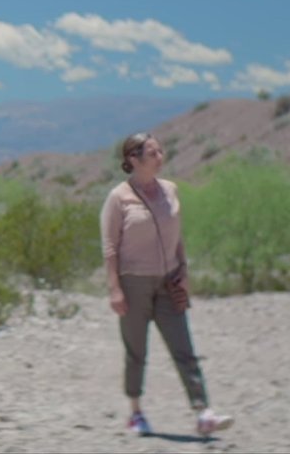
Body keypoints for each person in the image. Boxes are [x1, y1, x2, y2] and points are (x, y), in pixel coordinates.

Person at [100, 132, 234, 437]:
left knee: (184, 347)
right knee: (137, 351)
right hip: (133, 284)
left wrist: (183, 270)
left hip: (169, 281)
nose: (161, 157)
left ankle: (204, 413)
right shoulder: (118, 198)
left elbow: (177, 235)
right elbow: (109, 247)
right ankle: (135, 413)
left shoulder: (171, 190)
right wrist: (114, 289)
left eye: (161, 151)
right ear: (134, 159)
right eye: (153, 153)